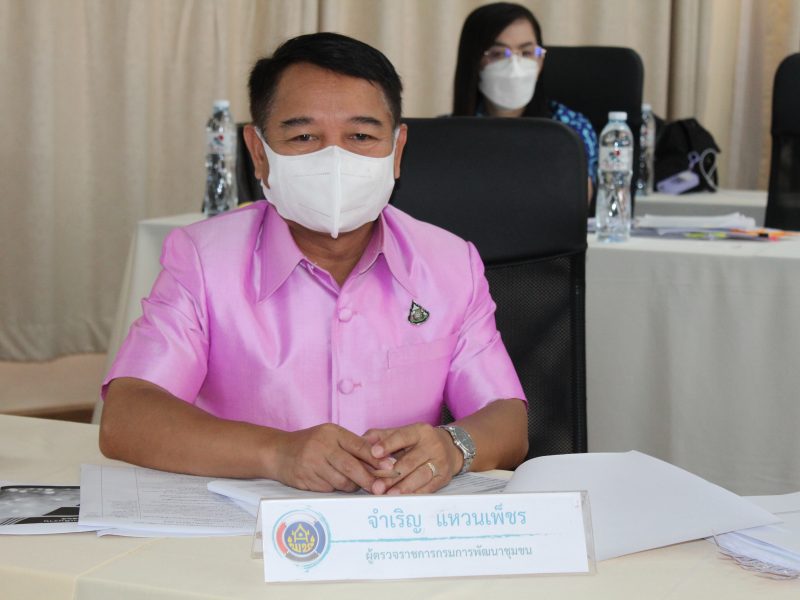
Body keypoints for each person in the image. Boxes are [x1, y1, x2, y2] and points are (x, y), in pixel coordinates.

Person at [99, 32, 528, 496]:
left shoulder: (450, 264)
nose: (335, 159)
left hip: (397, 526)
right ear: (259, 152)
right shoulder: (204, 260)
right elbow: (127, 416)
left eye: (361, 136)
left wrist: (453, 446)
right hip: (245, 528)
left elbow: (507, 417)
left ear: (397, 150)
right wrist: (276, 453)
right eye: (304, 136)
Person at [452, 2, 598, 198]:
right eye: (498, 54)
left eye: (527, 53)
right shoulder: (447, 133)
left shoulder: (570, 129)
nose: (515, 66)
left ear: (541, 61)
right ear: (474, 62)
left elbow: (577, 203)